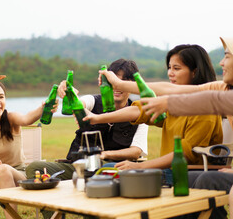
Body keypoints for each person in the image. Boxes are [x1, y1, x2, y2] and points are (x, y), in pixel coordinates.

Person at [98, 30, 233, 219]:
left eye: (227, 57)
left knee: (207, 181)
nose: (221, 63)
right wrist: (116, 85)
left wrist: (145, 167)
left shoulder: (227, 99)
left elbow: (207, 104)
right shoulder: (222, 89)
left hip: (184, 170)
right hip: (184, 172)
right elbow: (165, 91)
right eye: (170, 67)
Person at [84, 44, 223, 173]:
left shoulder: (205, 109)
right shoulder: (175, 102)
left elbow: (184, 155)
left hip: (186, 175)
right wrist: (96, 119)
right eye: (169, 68)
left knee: (109, 169)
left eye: (177, 68)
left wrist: (139, 166)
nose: (170, 73)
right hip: (168, 171)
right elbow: (141, 110)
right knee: (107, 168)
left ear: (195, 72)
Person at [25, 59, 149, 180]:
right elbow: (80, 104)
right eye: (114, 79)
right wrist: (70, 93)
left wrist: (104, 155)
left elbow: (135, 151)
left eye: (124, 81)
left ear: (132, 85)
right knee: (34, 168)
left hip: (110, 169)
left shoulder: (138, 112)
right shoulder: (93, 100)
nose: (117, 86)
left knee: (106, 169)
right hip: (79, 166)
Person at [0, 75, 57, 219]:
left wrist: (43, 107)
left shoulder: (11, 118)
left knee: (3, 169)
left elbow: (27, 119)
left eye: (1, 97)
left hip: (17, 175)